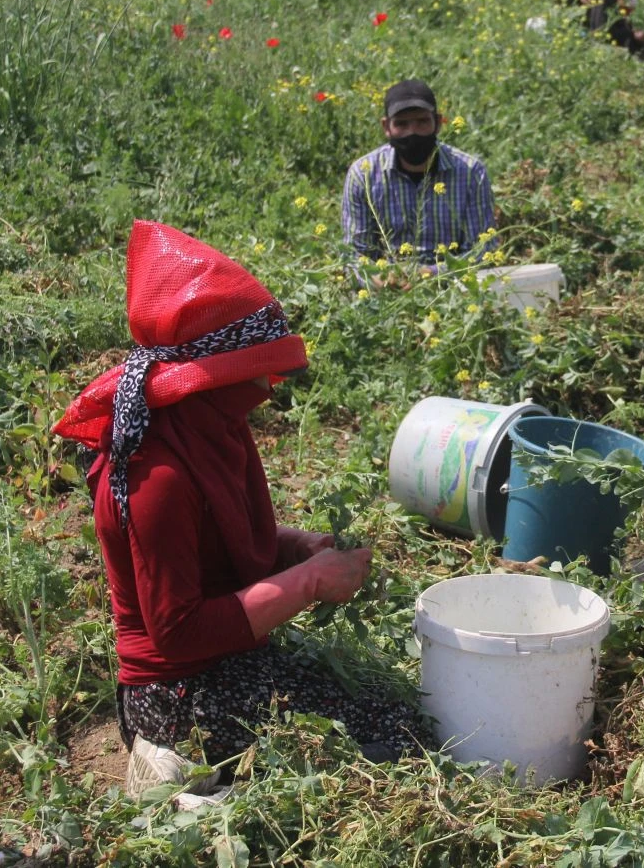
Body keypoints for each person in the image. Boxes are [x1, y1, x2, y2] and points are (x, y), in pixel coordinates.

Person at [52, 220, 420, 795]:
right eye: (256, 370)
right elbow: (178, 632)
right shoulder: (159, 475)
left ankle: (210, 771)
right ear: (206, 377)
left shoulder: (210, 428)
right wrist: (306, 583)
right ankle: (168, 760)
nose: (268, 385)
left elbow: (217, 543)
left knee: (392, 712)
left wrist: (293, 547)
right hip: (175, 691)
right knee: (380, 749)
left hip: (230, 660)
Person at [340, 80, 497, 270]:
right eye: (402, 124)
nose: (412, 132)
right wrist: (380, 278)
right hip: (388, 290)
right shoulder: (363, 175)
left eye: (422, 122)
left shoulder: (471, 173)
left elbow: (480, 251)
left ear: (438, 123)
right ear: (386, 127)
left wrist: (431, 275)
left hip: (453, 289)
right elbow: (355, 254)